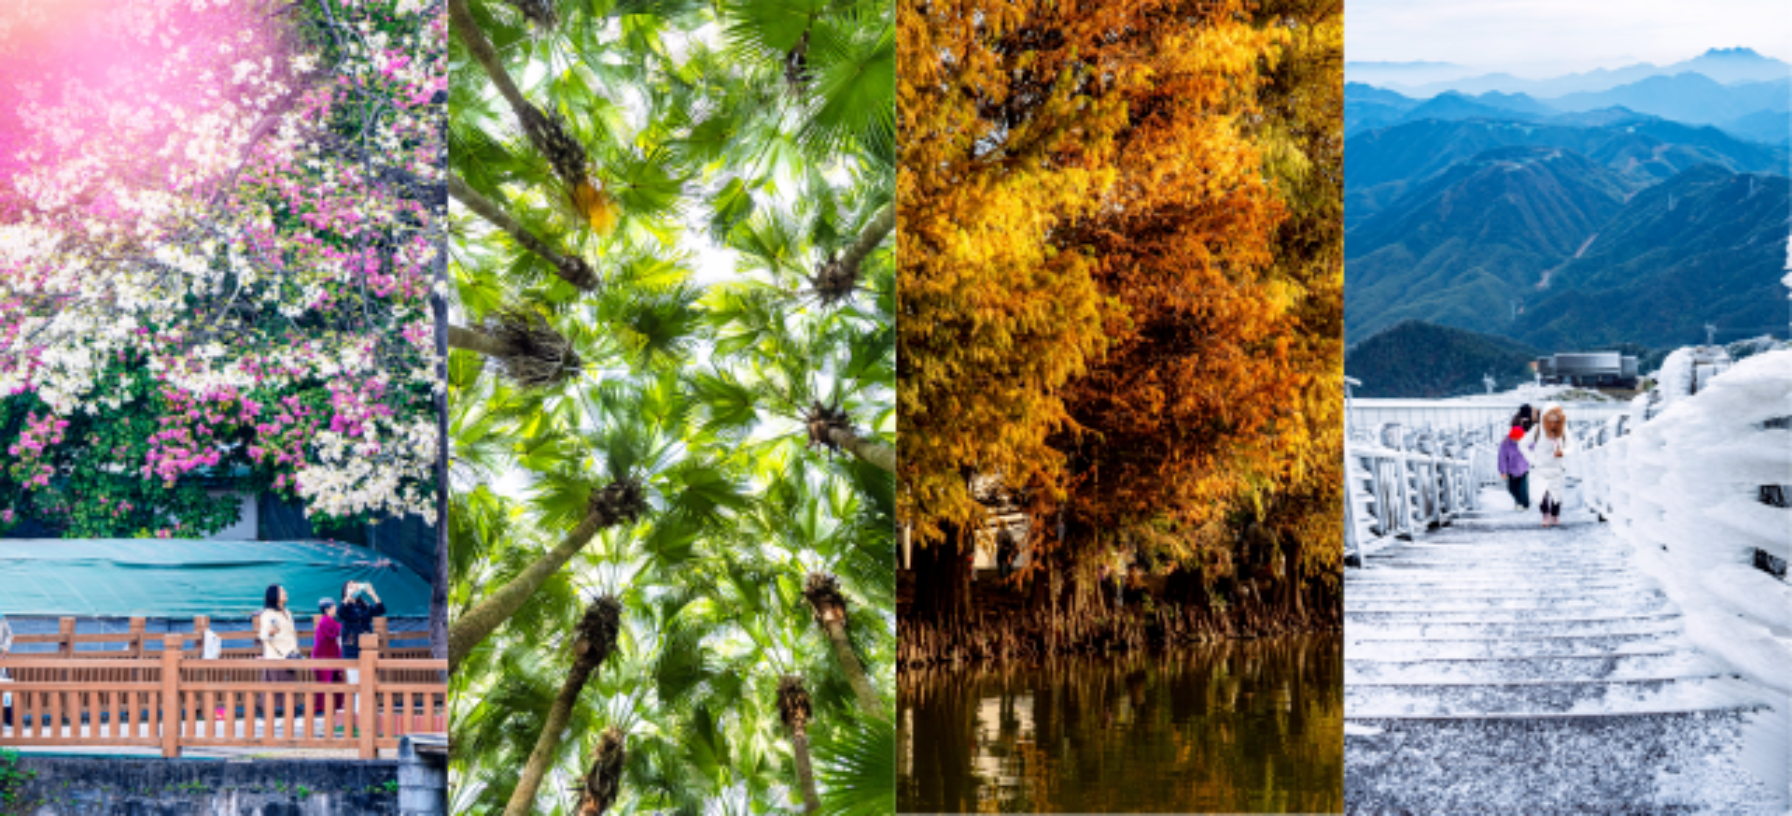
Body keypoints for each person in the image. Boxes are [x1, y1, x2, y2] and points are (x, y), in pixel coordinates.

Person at [338, 581, 385, 709]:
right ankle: (356, 712)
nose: (354, 588)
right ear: (345, 590)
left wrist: (372, 594)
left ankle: (365, 710)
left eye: (355, 585)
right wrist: (349, 596)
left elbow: (380, 610)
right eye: (350, 586)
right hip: (351, 645)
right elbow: (340, 613)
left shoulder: (364, 605)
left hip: (367, 645)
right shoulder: (345, 606)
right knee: (354, 680)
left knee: (367, 679)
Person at [1527, 403, 1573, 527]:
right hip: (1541, 466)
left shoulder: (1563, 430)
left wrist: (1562, 451)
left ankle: (1554, 514)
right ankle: (1545, 514)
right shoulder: (1537, 430)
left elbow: (1570, 446)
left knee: (1556, 493)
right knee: (1542, 492)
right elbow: (1525, 445)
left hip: (1557, 467)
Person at [313, 598, 345, 728]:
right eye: (333, 607)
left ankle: (335, 709)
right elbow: (335, 632)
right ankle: (324, 710)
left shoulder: (330, 621)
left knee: (336, 681)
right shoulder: (325, 621)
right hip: (324, 657)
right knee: (327, 684)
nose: (335, 609)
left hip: (330, 656)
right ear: (326, 610)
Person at [1499, 421, 1532, 511]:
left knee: (1522, 489)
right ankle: (1518, 502)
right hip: (1511, 470)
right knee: (1511, 488)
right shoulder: (1506, 443)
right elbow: (1502, 458)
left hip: (1523, 469)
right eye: (1514, 439)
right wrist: (1503, 471)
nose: (1516, 441)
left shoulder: (1527, 441)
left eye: (1518, 439)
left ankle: (1525, 505)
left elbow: (1535, 449)